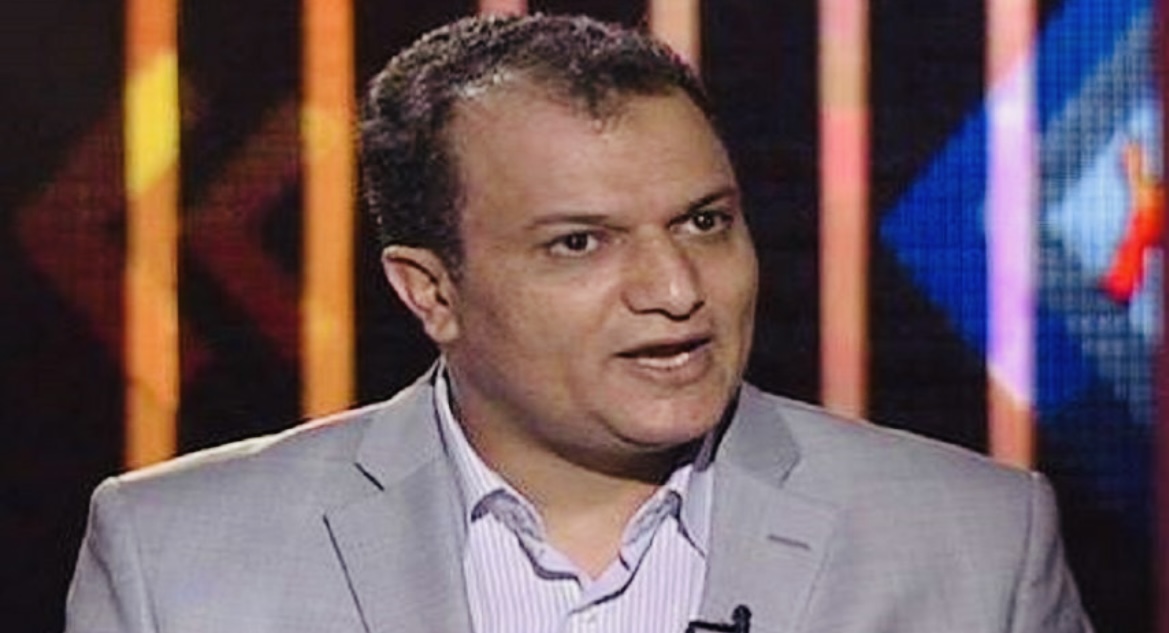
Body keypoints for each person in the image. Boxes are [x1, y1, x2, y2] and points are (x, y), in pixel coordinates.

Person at [65, 13, 1093, 633]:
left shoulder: (973, 542)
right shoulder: (178, 559)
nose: (675, 289)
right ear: (430, 292)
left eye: (703, 222)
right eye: (579, 243)